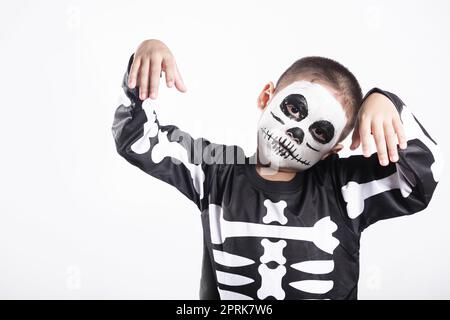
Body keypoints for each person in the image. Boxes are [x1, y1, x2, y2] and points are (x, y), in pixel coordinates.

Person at [111, 39, 442, 300]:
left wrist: (386, 101)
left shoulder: (344, 189)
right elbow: (137, 136)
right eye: (294, 108)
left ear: (332, 152)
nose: (297, 134)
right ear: (266, 96)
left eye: (320, 132)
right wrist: (143, 63)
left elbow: (424, 177)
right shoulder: (216, 167)